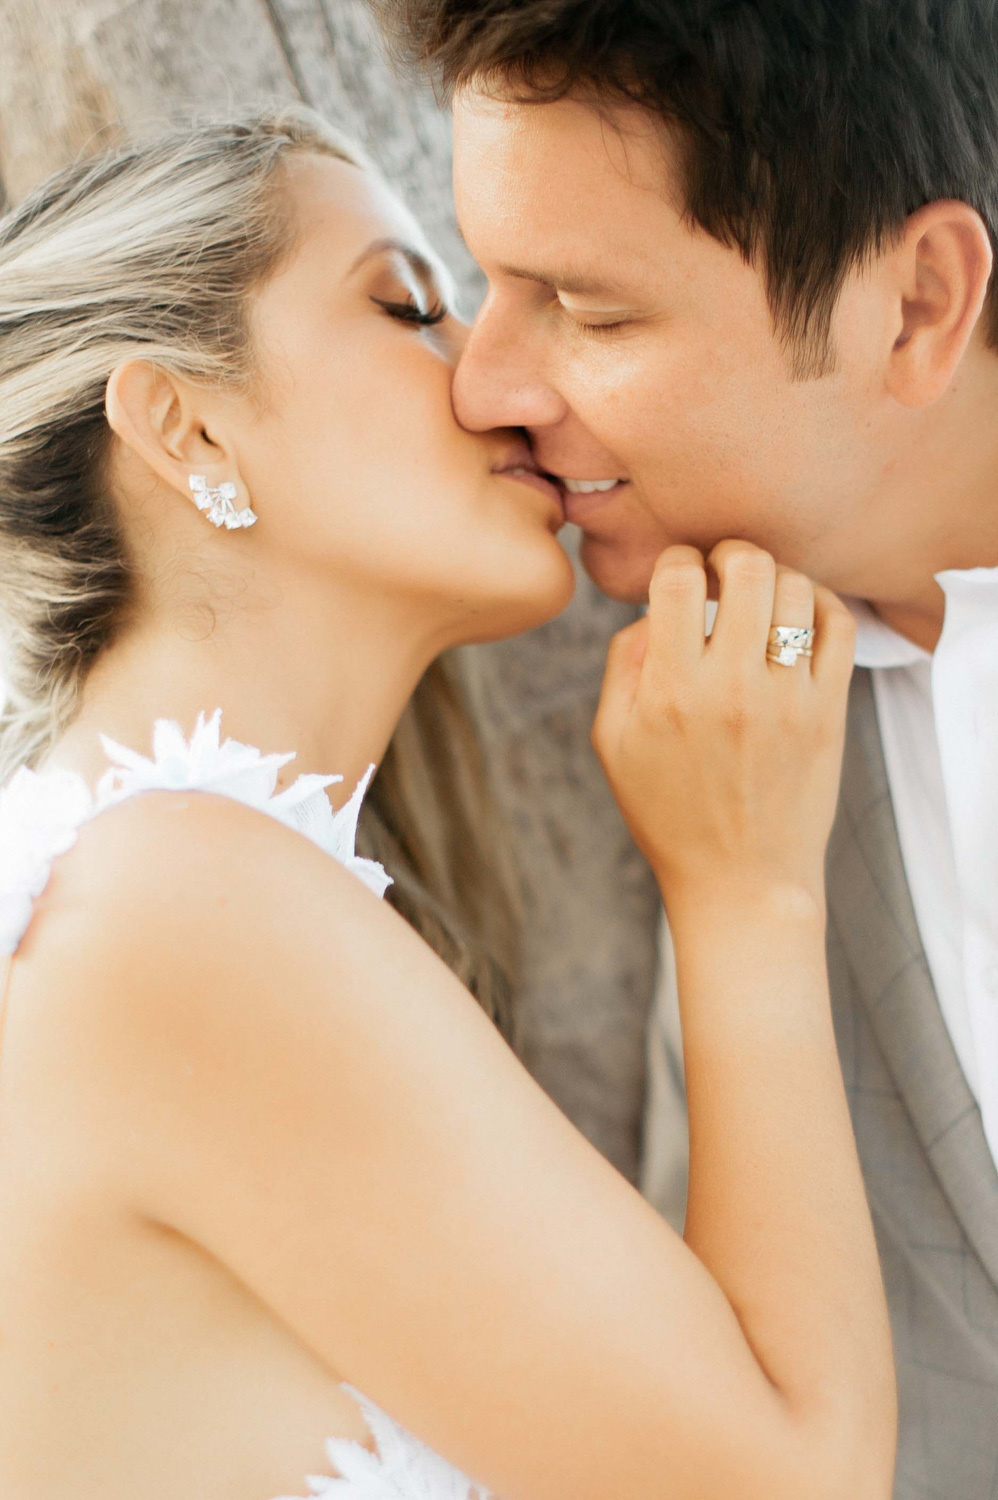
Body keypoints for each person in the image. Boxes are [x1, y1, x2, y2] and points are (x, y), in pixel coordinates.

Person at [0, 108, 891, 1499]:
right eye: (409, 307)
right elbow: (791, 1482)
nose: (492, 382)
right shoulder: (175, 905)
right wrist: (746, 886)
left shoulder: (166, 887)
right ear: (185, 427)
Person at [378, 0, 998, 1494]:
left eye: (592, 312)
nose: (485, 387)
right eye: (485, 283)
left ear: (916, 304)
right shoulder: (731, 729)